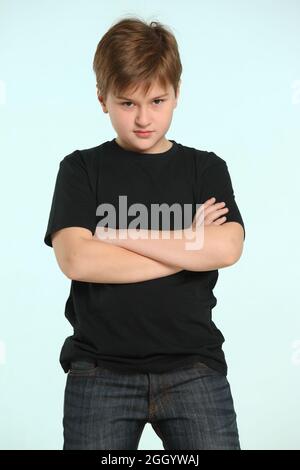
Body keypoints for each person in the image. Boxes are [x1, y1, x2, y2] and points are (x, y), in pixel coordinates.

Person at [44, 17, 246, 450]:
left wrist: (113, 235)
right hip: (99, 372)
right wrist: (189, 244)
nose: (143, 118)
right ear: (103, 99)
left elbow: (227, 248)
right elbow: (77, 260)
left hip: (194, 367)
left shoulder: (205, 168)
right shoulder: (80, 169)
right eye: (127, 103)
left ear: (177, 95)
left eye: (157, 101)